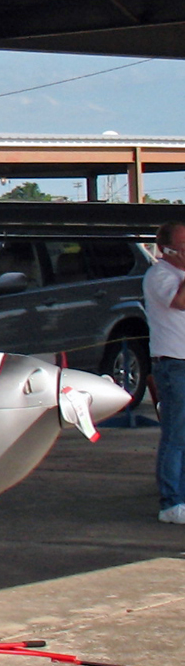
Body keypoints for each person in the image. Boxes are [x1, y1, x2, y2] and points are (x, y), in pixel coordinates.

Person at [144, 219, 185, 523]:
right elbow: (179, 302)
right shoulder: (159, 275)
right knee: (176, 433)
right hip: (174, 363)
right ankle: (171, 501)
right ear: (167, 248)